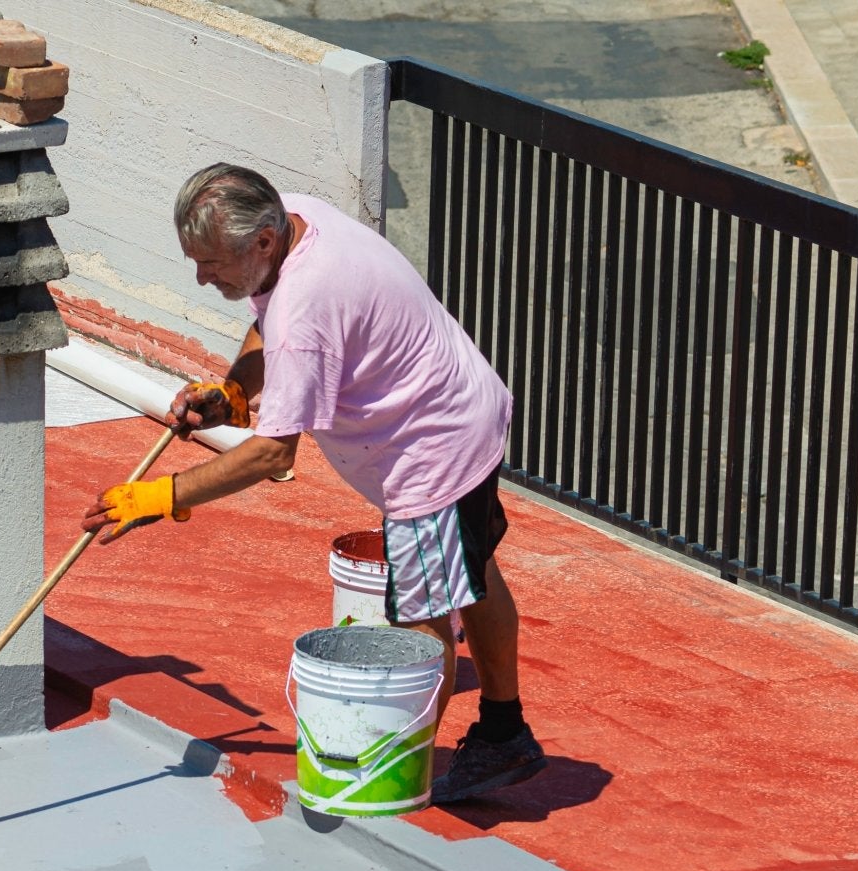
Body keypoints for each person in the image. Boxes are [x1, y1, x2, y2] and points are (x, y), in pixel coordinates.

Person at [81, 163, 544, 803]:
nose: (202, 277)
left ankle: (394, 785)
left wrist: (159, 498)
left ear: (263, 241)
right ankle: (503, 729)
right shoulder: (291, 215)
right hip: (463, 407)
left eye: (211, 263)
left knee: (420, 615)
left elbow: (271, 454)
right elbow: (266, 317)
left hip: (432, 450)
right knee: (470, 569)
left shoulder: (305, 306)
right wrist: (235, 389)